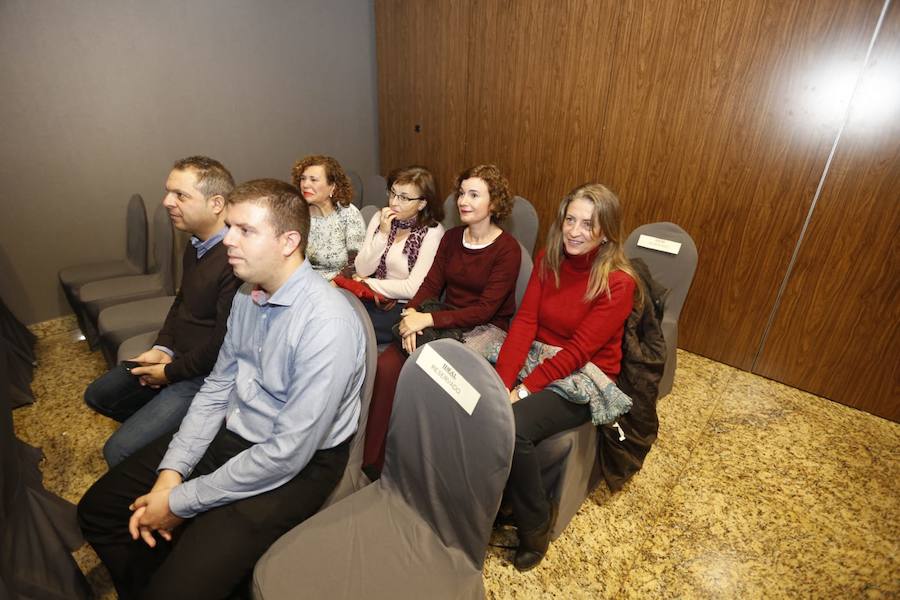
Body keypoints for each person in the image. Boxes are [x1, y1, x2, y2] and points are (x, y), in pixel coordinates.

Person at [77, 179, 366, 599]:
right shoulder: (248, 295)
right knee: (100, 512)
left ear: (288, 242)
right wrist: (171, 474)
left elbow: (288, 453)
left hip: (298, 465)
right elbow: (216, 389)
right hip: (236, 432)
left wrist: (179, 502)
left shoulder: (328, 325)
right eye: (229, 226)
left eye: (245, 230)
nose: (228, 239)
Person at [493, 183, 638, 572]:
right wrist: (503, 383)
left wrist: (523, 390)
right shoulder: (549, 258)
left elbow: (579, 352)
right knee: (482, 397)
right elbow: (524, 323)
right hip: (540, 357)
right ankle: (493, 497)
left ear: (606, 231)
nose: (574, 231)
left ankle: (535, 523)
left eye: (587, 224)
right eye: (570, 219)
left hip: (584, 374)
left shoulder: (619, 282)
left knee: (516, 425)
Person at [361, 164, 522, 477]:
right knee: (387, 367)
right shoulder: (451, 238)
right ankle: (375, 462)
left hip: (484, 330)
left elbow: (485, 310)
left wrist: (425, 319)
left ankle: (427, 470)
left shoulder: (508, 250)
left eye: (474, 195)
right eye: (462, 193)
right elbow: (430, 287)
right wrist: (411, 315)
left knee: (429, 375)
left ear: (494, 203)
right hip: (442, 319)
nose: (463, 200)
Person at [83, 156, 241, 467]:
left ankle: (183, 451)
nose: (167, 202)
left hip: (205, 375)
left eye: (180, 195)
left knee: (118, 451)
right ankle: (165, 442)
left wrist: (168, 374)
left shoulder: (235, 259)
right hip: (178, 359)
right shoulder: (197, 243)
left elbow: (223, 349)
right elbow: (181, 302)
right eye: (168, 192)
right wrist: (162, 347)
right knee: (99, 394)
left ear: (216, 203)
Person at [351, 165, 445, 343]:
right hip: (372, 298)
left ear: (422, 203)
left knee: (352, 327)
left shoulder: (432, 232)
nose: (394, 202)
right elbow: (362, 268)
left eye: (404, 198)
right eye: (393, 193)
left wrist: (368, 283)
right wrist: (383, 235)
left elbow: (412, 289)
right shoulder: (381, 219)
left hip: (402, 307)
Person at [291, 154, 365, 280]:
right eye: (303, 179)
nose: (305, 185)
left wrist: (336, 283)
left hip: (337, 286)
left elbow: (356, 263)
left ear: (332, 186)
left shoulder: (347, 214)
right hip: (301, 283)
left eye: (313, 180)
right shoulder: (296, 214)